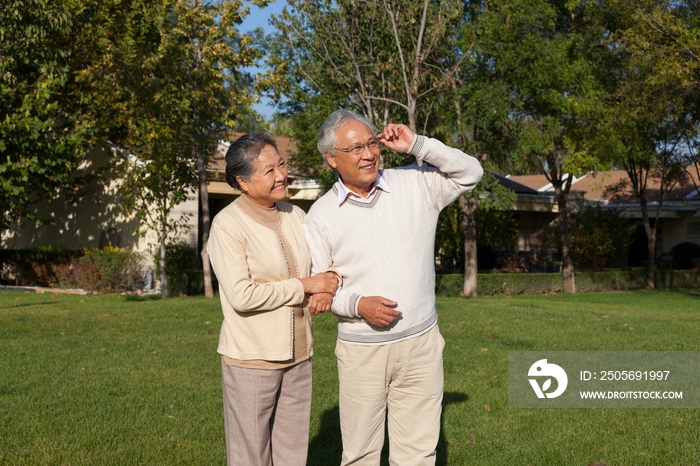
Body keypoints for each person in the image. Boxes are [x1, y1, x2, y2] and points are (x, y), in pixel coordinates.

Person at [304, 110, 483, 466]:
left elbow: (471, 172)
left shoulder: (416, 183)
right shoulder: (320, 216)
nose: (368, 154)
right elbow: (318, 290)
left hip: (421, 344)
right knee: (360, 455)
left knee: (419, 454)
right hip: (362, 352)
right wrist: (358, 305)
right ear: (331, 159)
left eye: (372, 143)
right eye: (355, 148)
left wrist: (417, 144)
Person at [207, 133, 339, 466]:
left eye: (281, 164)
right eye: (268, 170)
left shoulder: (296, 215)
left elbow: (328, 261)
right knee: (250, 456)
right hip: (252, 360)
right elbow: (242, 295)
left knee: (292, 454)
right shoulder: (227, 225)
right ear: (242, 181)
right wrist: (305, 285)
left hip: (299, 356)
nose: (281, 175)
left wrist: (327, 283)